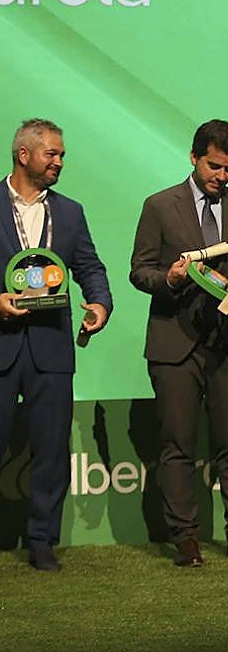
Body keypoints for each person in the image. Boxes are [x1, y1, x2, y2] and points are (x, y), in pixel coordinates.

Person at [129, 120, 228, 567]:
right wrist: (168, 278)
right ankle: (185, 539)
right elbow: (139, 270)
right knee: (177, 446)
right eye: (214, 166)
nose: (222, 176)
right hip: (175, 344)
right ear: (194, 157)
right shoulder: (159, 206)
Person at [0, 118, 111, 571]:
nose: (60, 162)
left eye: (62, 154)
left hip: (52, 348)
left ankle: (41, 541)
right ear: (24, 155)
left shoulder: (70, 212)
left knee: (50, 449)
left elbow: (90, 266)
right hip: (2, 345)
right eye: (53, 154)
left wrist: (100, 305)